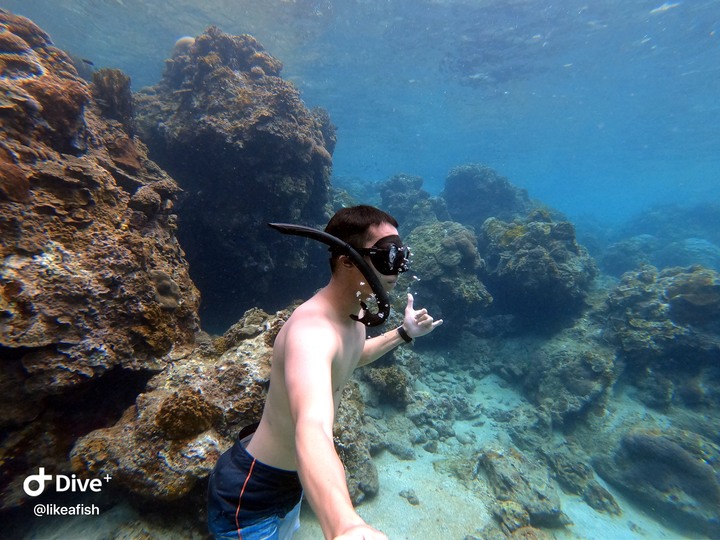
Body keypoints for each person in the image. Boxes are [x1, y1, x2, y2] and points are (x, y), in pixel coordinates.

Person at [207, 205, 443, 540]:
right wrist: (344, 524)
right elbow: (312, 426)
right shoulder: (312, 333)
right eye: (388, 255)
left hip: (293, 483)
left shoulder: (353, 314)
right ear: (348, 260)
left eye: (401, 255)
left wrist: (402, 333)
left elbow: (351, 356)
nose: (398, 268)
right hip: (251, 495)